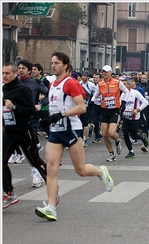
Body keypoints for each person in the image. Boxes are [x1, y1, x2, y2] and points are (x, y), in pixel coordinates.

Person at [35, 52, 114, 221]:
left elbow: (81, 108)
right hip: (56, 131)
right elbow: (55, 105)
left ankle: (101, 173)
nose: (53, 65)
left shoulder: (70, 83)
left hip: (72, 130)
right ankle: (51, 207)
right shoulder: (52, 84)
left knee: (80, 170)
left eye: (57, 62)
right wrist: (48, 119)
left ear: (65, 65)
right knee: (51, 167)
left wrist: (62, 114)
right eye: (52, 62)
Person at [2, 62, 47, 209]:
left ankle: (52, 185)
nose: (4, 76)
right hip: (9, 131)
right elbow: (5, 110)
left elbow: (31, 110)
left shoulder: (23, 89)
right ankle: (10, 193)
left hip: (24, 131)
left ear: (15, 74)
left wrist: (14, 107)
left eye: (7, 73)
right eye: (2, 73)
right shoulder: (4, 88)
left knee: (36, 162)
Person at [18, 59, 49, 187]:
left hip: (32, 118)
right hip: (16, 118)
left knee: (29, 148)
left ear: (29, 71)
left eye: (23, 68)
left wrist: (40, 104)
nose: (20, 70)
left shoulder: (35, 83)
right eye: (19, 68)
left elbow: (49, 94)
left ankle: (36, 171)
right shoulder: (13, 83)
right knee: (24, 148)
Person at [92, 65, 129, 162]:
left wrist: (123, 101)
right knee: (105, 134)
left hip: (114, 110)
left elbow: (126, 91)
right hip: (104, 110)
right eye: (103, 72)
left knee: (112, 133)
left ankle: (117, 141)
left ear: (110, 72)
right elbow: (96, 95)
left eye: (106, 72)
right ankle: (111, 153)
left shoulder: (117, 82)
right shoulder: (100, 84)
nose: (104, 73)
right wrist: (92, 101)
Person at [120, 77, 149, 157]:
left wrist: (138, 109)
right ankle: (131, 151)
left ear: (129, 85)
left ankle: (143, 137)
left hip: (134, 118)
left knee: (134, 135)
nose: (123, 86)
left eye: (125, 84)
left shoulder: (135, 93)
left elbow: (145, 102)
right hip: (126, 117)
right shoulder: (122, 95)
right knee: (125, 134)